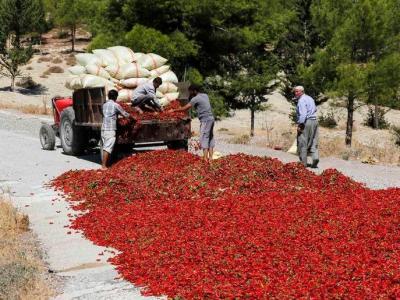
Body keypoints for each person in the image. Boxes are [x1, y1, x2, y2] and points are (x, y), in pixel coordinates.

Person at [170, 84, 215, 161]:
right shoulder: (205, 95)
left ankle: (205, 159)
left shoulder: (195, 98)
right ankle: (210, 158)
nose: (190, 93)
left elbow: (185, 108)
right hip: (211, 119)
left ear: (194, 91)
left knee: (204, 138)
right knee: (210, 138)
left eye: (190, 92)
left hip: (205, 120)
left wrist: (173, 110)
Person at [101, 89, 131, 169]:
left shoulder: (104, 105)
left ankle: (108, 163)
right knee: (107, 147)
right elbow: (125, 114)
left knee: (106, 146)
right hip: (110, 129)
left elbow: (108, 115)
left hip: (104, 128)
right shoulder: (115, 105)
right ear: (115, 97)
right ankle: (103, 166)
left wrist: (116, 117)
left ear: (108, 96)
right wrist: (132, 117)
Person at [294, 85, 319, 168]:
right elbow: (315, 109)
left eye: (297, 91)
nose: (296, 93)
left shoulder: (301, 100)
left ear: (302, 91)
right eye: (295, 91)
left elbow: (303, 114)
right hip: (315, 121)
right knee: (313, 140)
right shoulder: (310, 98)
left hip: (306, 122)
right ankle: (315, 158)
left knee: (302, 142)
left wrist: (300, 124)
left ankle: (303, 164)